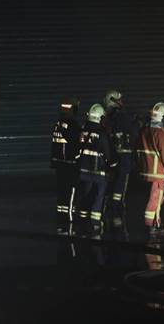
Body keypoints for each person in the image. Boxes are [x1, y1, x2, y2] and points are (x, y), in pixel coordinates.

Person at [136, 102, 164, 235]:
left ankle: (151, 225)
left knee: (152, 199)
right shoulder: (160, 134)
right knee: (156, 200)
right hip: (158, 174)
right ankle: (153, 226)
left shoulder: (145, 131)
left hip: (146, 172)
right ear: (163, 117)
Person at [77, 103, 116, 235]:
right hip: (99, 172)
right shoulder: (102, 133)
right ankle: (95, 224)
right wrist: (112, 165)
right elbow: (108, 154)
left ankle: (82, 221)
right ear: (99, 118)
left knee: (85, 195)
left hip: (83, 171)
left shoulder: (83, 130)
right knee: (99, 196)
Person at [102, 89, 138, 212]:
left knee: (110, 182)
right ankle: (117, 209)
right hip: (124, 156)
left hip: (110, 156)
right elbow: (132, 133)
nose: (122, 102)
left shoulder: (105, 118)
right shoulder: (122, 116)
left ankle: (107, 206)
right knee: (121, 184)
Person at [50, 97, 81, 232]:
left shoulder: (58, 123)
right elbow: (76, 144)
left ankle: (61, 216)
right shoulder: (73, 125)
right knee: (71, 191)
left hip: (59, 164)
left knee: (61, 191)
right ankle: (69, 219)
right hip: (69, 164)